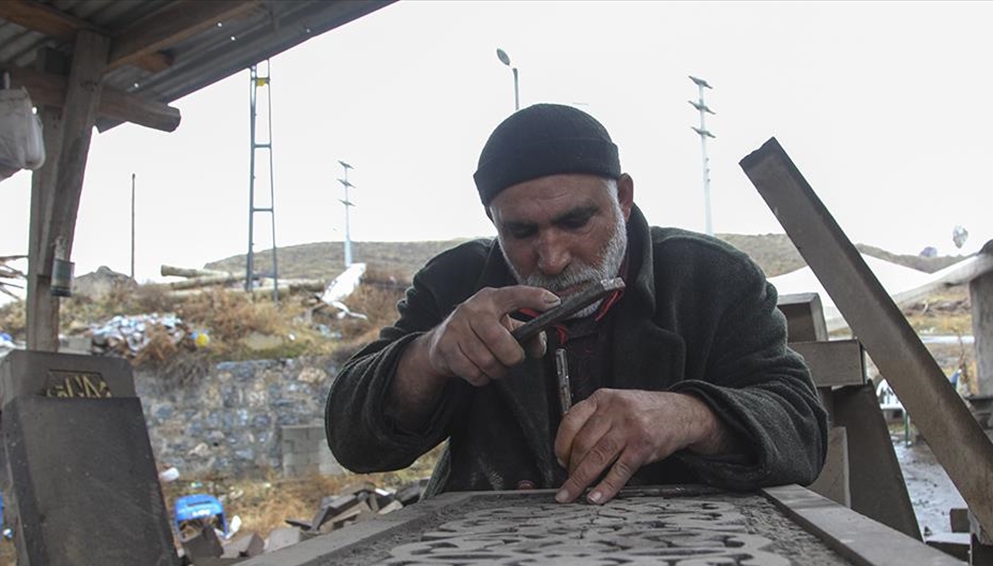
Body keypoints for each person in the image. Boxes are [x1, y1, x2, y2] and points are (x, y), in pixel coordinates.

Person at [325, 103, 828, 504]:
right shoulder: (454, 283)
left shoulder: (711, 278)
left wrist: (689, 416)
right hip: (490, 559)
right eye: (520, 231)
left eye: (575, 221)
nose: (551, 257)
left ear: (623, 198)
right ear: (493, 220)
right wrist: (430, 355)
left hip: (677, 552)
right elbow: (353, 441)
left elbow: (802, 431)